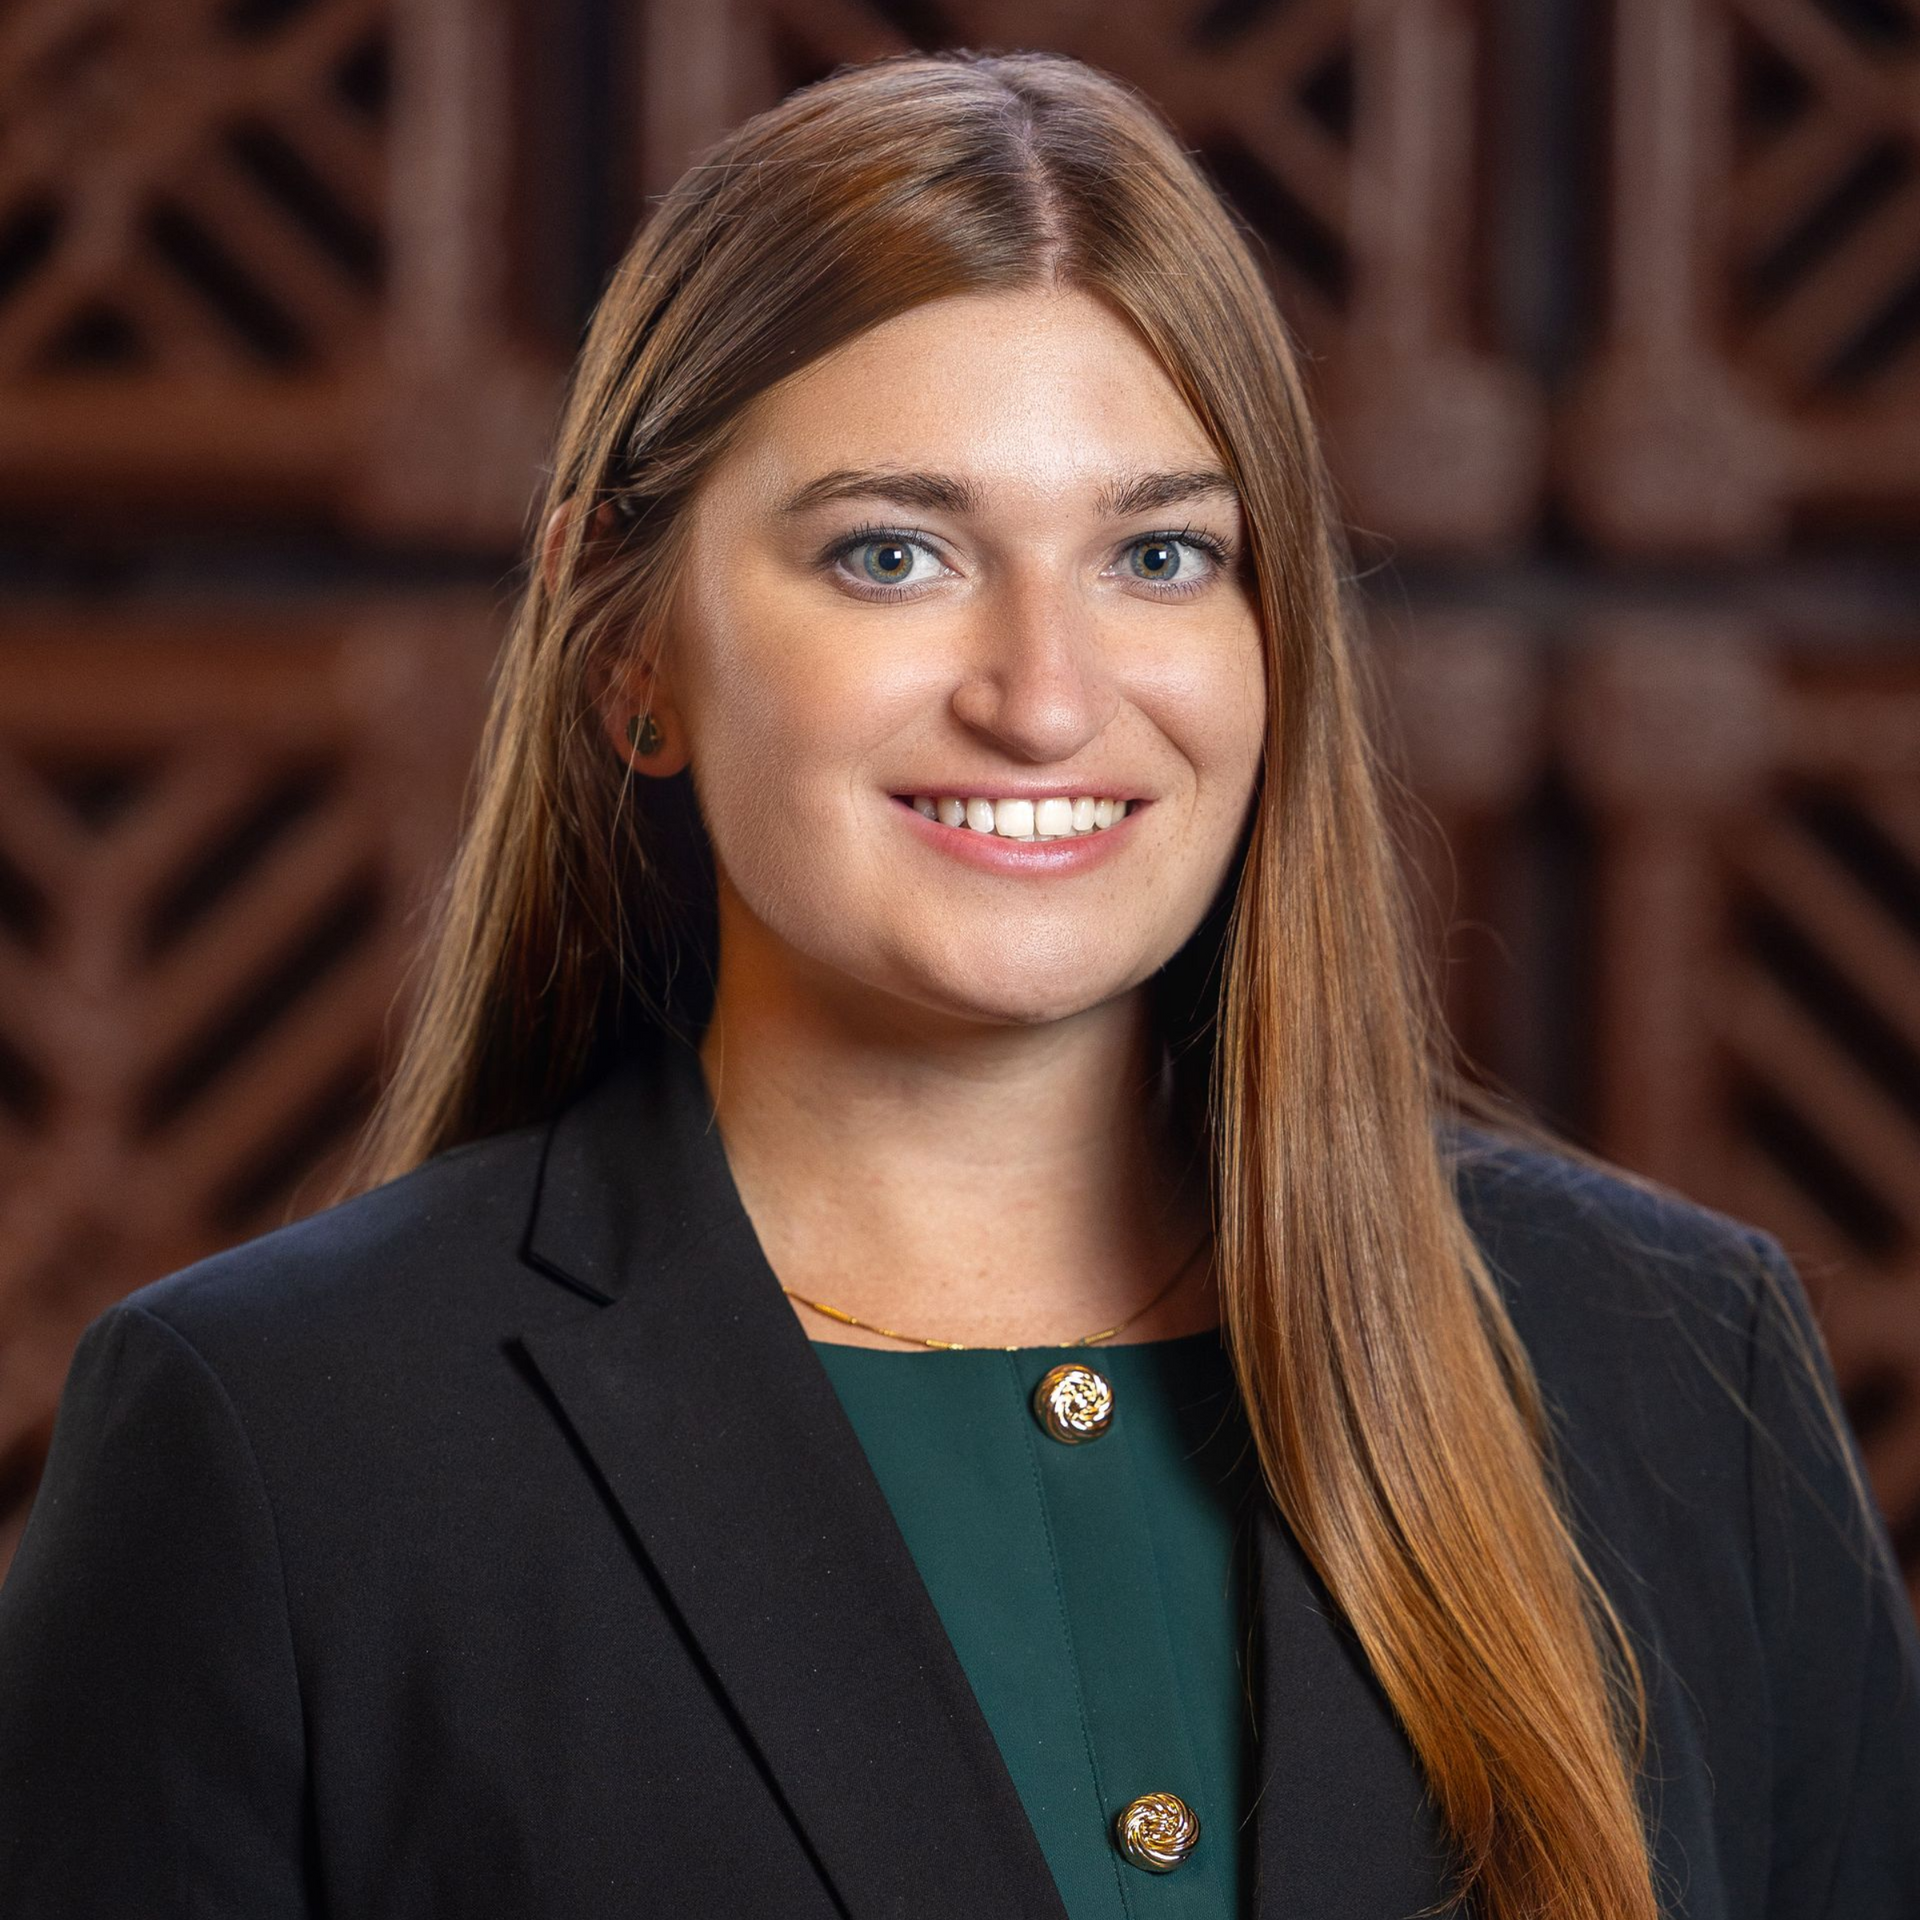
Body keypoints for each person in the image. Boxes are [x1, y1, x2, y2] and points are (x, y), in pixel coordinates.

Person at [2, 46, 1916, 1920]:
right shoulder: (283, 1445)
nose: (1047, 695)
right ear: (628, 650)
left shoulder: (1675, 1366)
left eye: (1161, 554)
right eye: (895, 554)